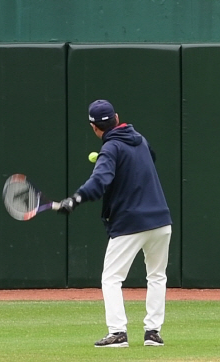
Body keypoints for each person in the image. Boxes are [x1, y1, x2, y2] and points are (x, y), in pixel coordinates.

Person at [57, 100, 173, 347]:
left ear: (94, 128)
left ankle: (117, 332)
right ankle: (153, 332)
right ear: (117, 117)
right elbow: (150, 158)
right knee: (157, 276)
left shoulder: (110, 148)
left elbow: (99, 181)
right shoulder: (139, 140)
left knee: (111, 278)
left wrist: (75, 199)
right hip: (161, 220)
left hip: (131, 222)